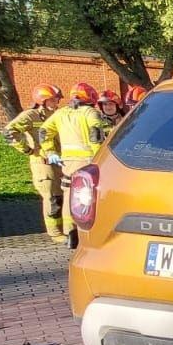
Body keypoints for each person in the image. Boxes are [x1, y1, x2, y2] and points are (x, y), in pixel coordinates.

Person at [40, 82, 112, 242]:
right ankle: (84, 231)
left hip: (67, 162)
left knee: (68, 194)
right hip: (87, 161)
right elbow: (95, 133)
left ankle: (69, 232)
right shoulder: (89, 112)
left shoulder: (60, 113)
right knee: (87, 195)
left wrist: (50, 151)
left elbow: (44, 131)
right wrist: (99, 156)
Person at [5, 84, 65, 240]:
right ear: (42, 100)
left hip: (59, 162)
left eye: (57, 99)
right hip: (43, 163)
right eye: (53, 99)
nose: (56, 102)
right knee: (52, 197)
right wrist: (26, 149)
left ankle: (64, 228)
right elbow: (9, 132)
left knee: (64, 196)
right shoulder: (30, 116)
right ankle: (55, 232)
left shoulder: (58, 114)